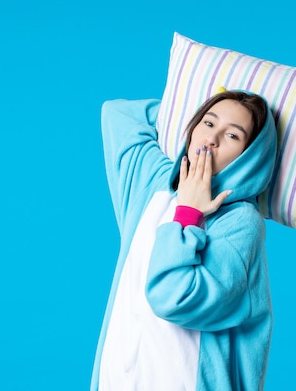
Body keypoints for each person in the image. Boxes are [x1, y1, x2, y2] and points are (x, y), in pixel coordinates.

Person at [90, 89, 278, 391]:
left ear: (250, 157)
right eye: (208, 123)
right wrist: (185, 103)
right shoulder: (154, 183)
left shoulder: (241, 223)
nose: (211, 139)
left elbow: (174, 298)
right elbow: (118, 114)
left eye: (233, 136)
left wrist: (189, 215)